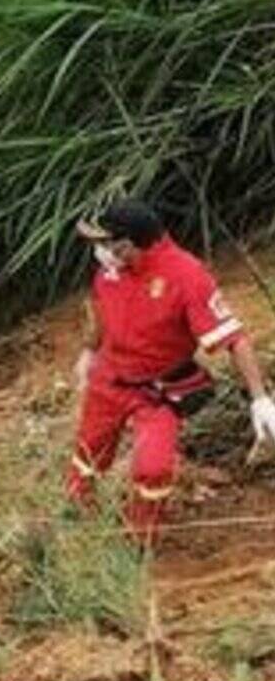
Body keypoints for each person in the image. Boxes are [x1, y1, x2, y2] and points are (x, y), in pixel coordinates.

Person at [68, 199, 275, 543]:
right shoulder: (110, 272)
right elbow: (101, 312)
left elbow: (234, 338)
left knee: (153, 468)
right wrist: (89, 353)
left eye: (105, 243)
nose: (98, 251)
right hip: (109, 380)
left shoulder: (187, 277)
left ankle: (140, 541)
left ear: (128, 244)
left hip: (157, 391)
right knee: (88, 456)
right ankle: (74, 522)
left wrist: (260, 399)